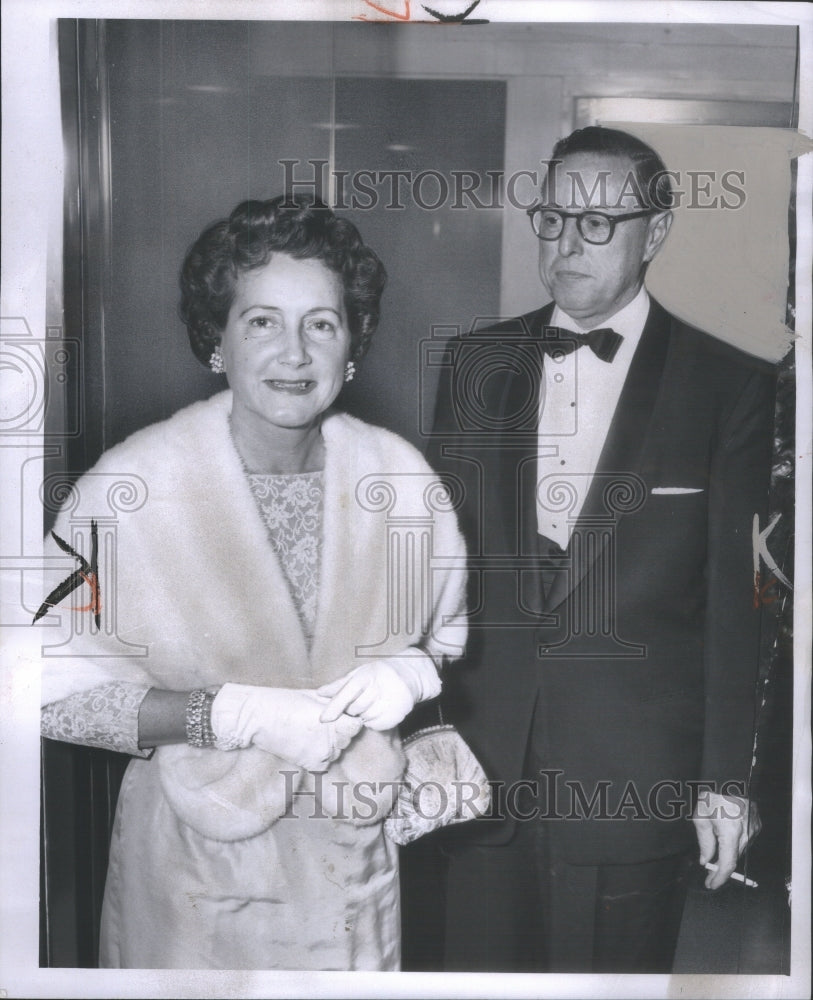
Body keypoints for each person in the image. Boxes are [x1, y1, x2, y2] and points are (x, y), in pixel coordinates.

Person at [37, 195, 467, 970]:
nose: (294, 353)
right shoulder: (133, 486)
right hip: (193, 886)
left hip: (348, 875)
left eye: (322, 324)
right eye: (261, 321)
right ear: (216, 341)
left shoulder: (400, 479)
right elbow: (42, 693)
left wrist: (415, 670)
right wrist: (227, 714)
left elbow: (442, 638)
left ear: (352, 346)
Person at [425, 127, 775, 972]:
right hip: (477, 771)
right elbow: (430, 576)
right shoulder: (473, 364)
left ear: (653, 233)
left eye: (597, 224)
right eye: (552, 219)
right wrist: (420, 730)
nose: (566, 245)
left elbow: (738, 607)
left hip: (634, 780)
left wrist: (724, 781)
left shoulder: (733, 387)